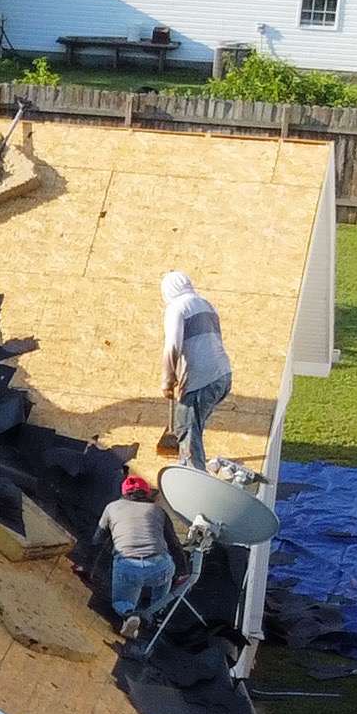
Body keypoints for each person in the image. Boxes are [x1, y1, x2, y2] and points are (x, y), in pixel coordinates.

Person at [159, 269, 230, 464]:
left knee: (186, 428)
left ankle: (193, 473)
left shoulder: (177, 307)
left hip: (202, 379)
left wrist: (168, 380)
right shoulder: (206, 305)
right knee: (192, 428)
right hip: (222, 376)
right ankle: (185, 467)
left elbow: (173, 345)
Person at [101, 472, 175, 638]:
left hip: (129, 567)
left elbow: (98, 537)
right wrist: (184, 571)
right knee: (167, 564)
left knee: (121, 601)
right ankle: (156, 612)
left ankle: (129, 614)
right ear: (147, 493)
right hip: (159, 569)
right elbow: (173, 543)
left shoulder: (112, 507)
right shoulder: (158, 510)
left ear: (124, 493)